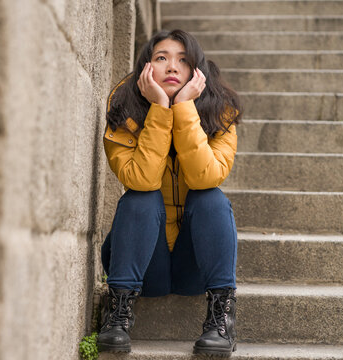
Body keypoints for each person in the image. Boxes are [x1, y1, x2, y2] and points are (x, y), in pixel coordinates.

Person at [98, 29, 243, 357]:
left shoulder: (220, 111)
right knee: (139, 197)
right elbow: (141, 179)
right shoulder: (124, 110)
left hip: (195, 266)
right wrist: (161, 109)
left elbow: (206, 176)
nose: (172, 67)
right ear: (146, 68)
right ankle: (118, 315)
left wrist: (184, 109)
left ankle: (222, 318)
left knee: (211, 198)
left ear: (197, 72)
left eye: (183, 60)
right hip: (145, 265)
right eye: (161, 58)